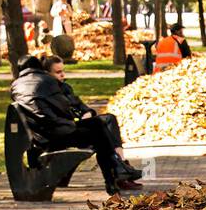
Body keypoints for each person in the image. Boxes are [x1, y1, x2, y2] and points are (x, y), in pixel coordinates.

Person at [10, 55, 141, 194]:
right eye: (58, 71)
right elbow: (64, 109)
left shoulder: (16, 86)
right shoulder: (46, 81)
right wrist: (70, 119)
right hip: (55, 135)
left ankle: (117, 171)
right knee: (98, 128)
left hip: (41, 135)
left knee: (100, 125)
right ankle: (114, 175)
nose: (62, 74)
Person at [43, 55, 137, 170]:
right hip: (67, 131)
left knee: (109, 119)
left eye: (63, 71)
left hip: (77, 125)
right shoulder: (50, 92)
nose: (63, 75)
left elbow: (81, 105)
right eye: (58, 72)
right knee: (102, 129)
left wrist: (87, 113)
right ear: (47, 74)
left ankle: (121, 162)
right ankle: (120, 167)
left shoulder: (65, 87)